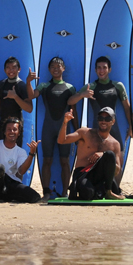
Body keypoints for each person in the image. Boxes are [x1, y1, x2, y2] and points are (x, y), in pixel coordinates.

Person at [28, 57, 84, 199]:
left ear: (63, 69)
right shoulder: (44, 86)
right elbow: (31, 96)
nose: (55, 69)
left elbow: (74, 111)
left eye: (58, 66)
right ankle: (46, 192)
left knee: (65, 161)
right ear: (49, 69)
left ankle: (65, 192)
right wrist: (29, 82)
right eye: (52, 66)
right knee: (47, 160)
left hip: (64, 129)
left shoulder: (70, 88)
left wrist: (77, 131)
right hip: (48, 128)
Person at [78, 55, 132, 181]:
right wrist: (82, 94)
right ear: (95, 70)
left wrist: (131, 127)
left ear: (109, 69)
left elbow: (126, 107)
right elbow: (71, 101)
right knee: (94, 159)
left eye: (104, 68)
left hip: (114, 127)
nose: (101, 70)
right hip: (96, 129)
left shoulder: (118, 86)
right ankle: (98, 188)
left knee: (119, 159)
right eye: (99, 68)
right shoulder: (90, 87)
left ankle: (116, 188)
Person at [57, 107, 124, 201]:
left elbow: (116, 170)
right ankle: (97, 191)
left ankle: (108, 192)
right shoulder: (85, 132)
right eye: (101, 118)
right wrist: (65, 123)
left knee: (109, 154)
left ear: (113, 121)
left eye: (107, 119)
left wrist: (103, 155)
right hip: (83, 173)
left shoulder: (115, 144)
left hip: (100, 176)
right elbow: (61, 140)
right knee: (88, 193)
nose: (103, 121)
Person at [0, 56, 33, 140]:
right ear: (4, 70)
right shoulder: (0, 85)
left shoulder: (22, 86)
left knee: (15, 152)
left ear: (19, 69)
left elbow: (29, 108)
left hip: (16, 127)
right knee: (1, 152)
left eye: (14, 67)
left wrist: (15, 97)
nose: (11, 70)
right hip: (3, 126)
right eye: (8, 68)